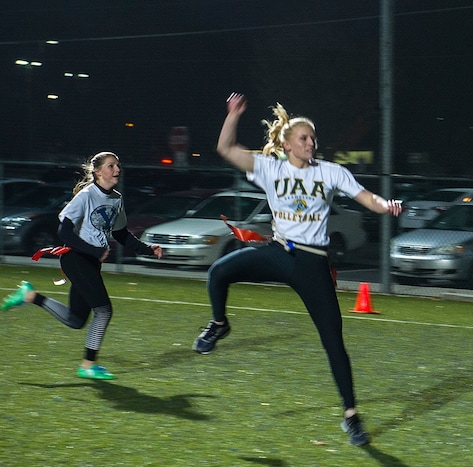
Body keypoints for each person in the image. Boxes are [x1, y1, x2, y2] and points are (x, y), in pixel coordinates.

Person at [192, 92, 402, 445]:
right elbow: (226, 149)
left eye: (312, 138)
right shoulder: (271, 168)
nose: (310, 143)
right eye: (303, 138)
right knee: (218, 273)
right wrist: (232, 115)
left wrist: (386, 205)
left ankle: (351, 417)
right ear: (287, 144)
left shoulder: (331, 172)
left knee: (333, 342)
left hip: (312, 263)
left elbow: (367, 198)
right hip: (278, 252)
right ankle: (219, 323)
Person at [1, 151, 163, 380]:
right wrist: (95, 250)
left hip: (89, 263)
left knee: (76, 320)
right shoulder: (86, 196)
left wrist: (148, 249)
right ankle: (88, 365)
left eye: (118, 166)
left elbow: (122, 234)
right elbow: (64, 231)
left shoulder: (116, 198)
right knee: (104, 310)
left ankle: (31, 296)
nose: (117, 170)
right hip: (75, 258)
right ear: (97, 172)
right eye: (111, 166)